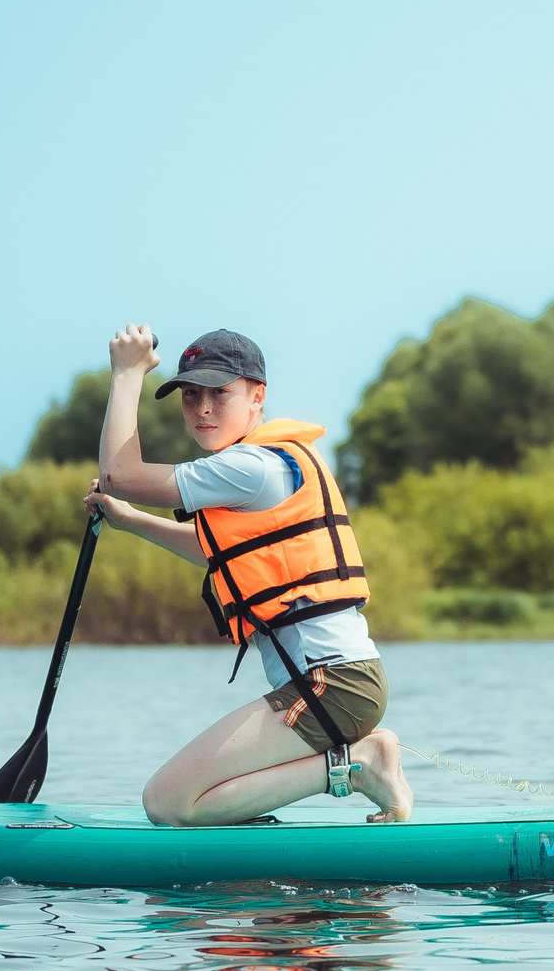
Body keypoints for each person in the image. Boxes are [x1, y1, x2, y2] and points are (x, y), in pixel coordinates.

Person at [84, 323, 411, 826]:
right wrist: (129, 521)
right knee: (190, 802)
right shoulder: (262, 467)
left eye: (220, 392)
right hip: (340, 682)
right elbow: (224, 554)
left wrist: (127, 374)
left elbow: (119, 476)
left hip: (332, 684)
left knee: (168, 803)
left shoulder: (251, 466)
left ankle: (360, 765)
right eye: (190, 396)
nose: (203, 408)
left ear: (257, 396)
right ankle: (332, 779)